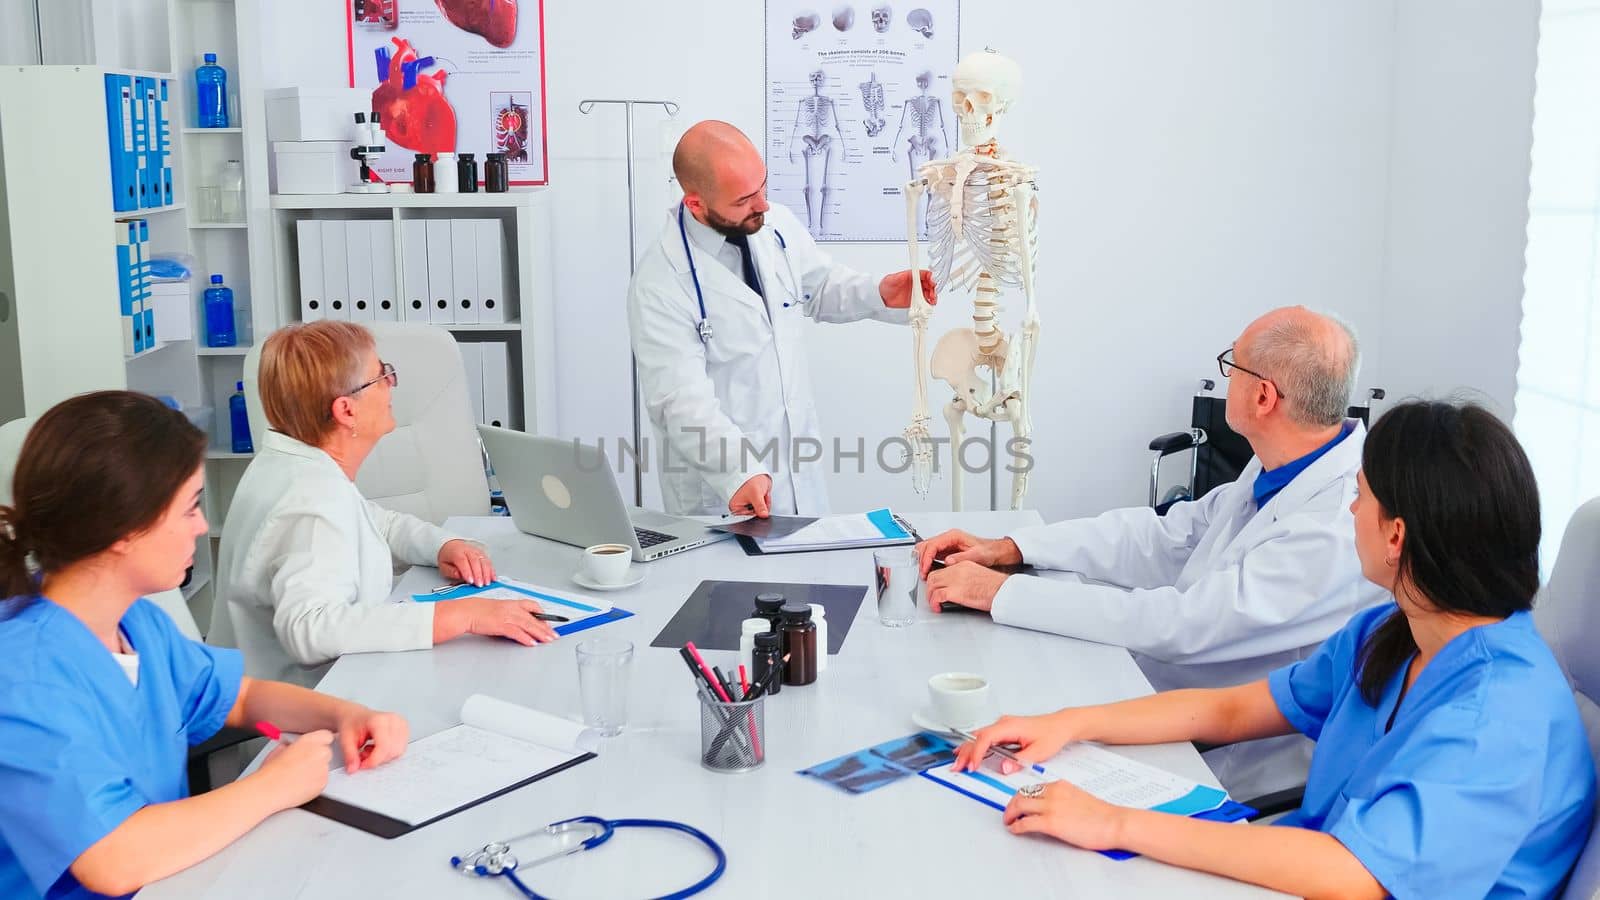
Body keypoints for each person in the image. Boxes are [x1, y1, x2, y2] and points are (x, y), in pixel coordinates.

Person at [953, 400, 1595, 898]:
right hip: (1301, 869)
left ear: (1396, 534)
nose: (1349, 509)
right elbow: (1230, 712)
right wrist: (1066, 724)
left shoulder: (1500, 716)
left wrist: (1115, 822)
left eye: (1361, 496)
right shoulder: (1390, 634)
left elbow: (1355, 874)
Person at [916, 306, 1387, 798]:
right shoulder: (1285, 465)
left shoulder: (1332, 528)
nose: (1226, 378)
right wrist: (1013, 547)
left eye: (1233, 366)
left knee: (996, 766)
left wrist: (1004, 594)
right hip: (1165, 699)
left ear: (1264, 396)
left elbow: (1182, 625)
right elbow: (1166, 535)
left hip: (1228, 759)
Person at [0, 391, 410, 900]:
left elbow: (239, 697)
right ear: (125, 529)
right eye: (190, 507)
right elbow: (112, 860)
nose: (202, 526)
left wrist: (344, 715)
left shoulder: (137, 624)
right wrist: (272, 787)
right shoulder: (23, 675)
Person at [213, 321, 556, 687]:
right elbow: (310, 630)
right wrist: (461, 617)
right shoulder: (312, 502)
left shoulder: (290, 465)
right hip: (297, 716)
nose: (391, 383)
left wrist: (441, 544)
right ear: (346, 411)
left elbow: (372, 522)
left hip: (276, 690)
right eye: (381, 375)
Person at [627, 119, 937, 518]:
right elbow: (679, 400)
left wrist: (878, 292)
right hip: (725, 493)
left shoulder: (775, 226)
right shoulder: (659, 283)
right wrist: (736, 470)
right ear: (696, 204)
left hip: (798, 473)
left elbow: (817, 287)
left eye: (762, 186)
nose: (763, 205)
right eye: (743, 200)